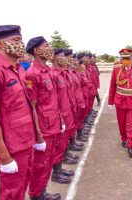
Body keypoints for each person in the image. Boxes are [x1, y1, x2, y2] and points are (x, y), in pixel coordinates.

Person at [0, 25, 37, 200]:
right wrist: (4, 157)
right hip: (11, 147)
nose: (21, 44)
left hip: (26, 141)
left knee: (22, 188)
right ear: (0, 44)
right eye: (16, 41)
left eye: (21, 40)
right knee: (12, 194)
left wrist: (37, 137)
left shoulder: (19, 69)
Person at [25, 36, 63, 200]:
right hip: (43, 127)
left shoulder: (48, 71)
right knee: (40, 163)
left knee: (47, 162)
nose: (50, 48)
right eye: (46, 46)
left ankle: (42, 191)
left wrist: (60, 119)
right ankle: (36, 194)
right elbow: (32, 106)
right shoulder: (32, 74)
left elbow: (54, 100)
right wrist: (38, 134)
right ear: (36, 50)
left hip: (53, 123)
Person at [108, 48, 132, 158]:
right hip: (120, 100)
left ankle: (131, 145)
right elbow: (112, 86)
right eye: (123, 58)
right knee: (121, 123)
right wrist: (110, 102)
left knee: (130, 124)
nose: (126, 60)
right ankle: (124, 138)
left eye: (128, 58)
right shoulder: (116, 70)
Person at [51, 48, 77, 184]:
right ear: (54, 58)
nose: (65, 58)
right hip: (59, 116)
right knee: (58, 145)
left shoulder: (62, 73)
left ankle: (60, 168)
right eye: (61, 56)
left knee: (64, 142)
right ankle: (56, 172)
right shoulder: (53, 74)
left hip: (68, 112)